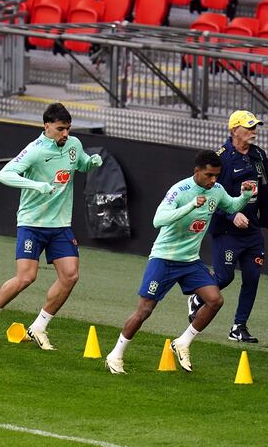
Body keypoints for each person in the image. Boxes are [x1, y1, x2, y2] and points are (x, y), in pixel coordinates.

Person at [105, 150, 255, 375]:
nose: (213, 180)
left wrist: (244, 196)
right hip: (164, 258)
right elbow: (158, 220)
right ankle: (115, 354)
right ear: (197, 171)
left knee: (215, 300)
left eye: (217, 175)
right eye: (209, 175)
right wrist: (191, 206)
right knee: (145, 310)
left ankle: (183, 342)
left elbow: (231, 206)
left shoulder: (217, 190)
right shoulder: (180, 190)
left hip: (190, 262)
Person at [0, 103, 103, 350]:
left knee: (70, 276)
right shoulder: (34, 150)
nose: (65, 134)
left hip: (60, 225)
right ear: (47, 126)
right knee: (26, 277)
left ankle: (39, 327)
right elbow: (4, 174)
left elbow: (80, 163)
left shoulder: (73, 145)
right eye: (60, 129)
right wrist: (36, 185)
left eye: (68, 129)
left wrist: (91, 163)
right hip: (32, 223)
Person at [187, 110, 268, 343]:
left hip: (252, 231)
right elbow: (211, 196)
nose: (254, 131)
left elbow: (266, 191)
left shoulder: (259, 155)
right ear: (234, 130)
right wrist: (232, 216)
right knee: (224, 277)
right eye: (249, 127)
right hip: (226, 231)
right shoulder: (221, 159)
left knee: (252, 277)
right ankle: (197, 298)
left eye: (255, 127)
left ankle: (238, 327)